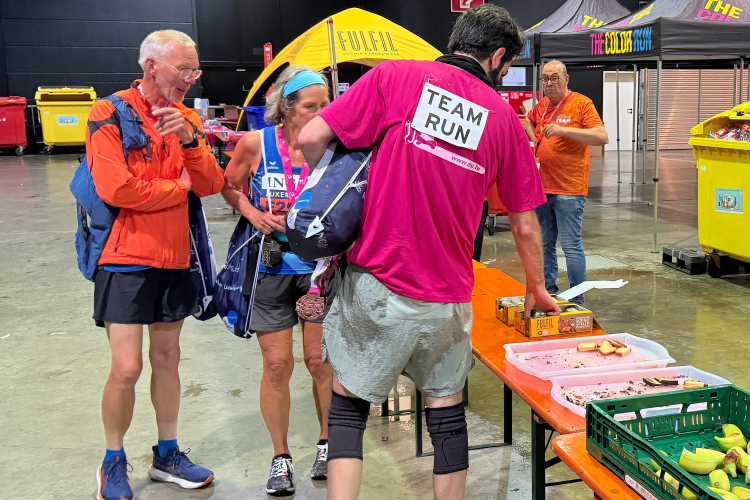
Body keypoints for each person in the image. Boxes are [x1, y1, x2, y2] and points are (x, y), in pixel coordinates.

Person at [298, 5, 561, 499]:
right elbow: (525, 224)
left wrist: (344, 204)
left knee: (348, 411)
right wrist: (536, 287)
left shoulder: (395, 76)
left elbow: (312, 136)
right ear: (497, 57)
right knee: (447, 415)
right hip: (447, 296)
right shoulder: (504, 118)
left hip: (376, 281)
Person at [86, 30, 225, 500]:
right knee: (126, 368)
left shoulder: (188, 119)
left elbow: (211, 183)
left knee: (168, 359)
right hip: (124, 259)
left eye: (195, 70)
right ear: (151, 66)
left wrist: (190, 142)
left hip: (176, 258)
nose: (190, 78)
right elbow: (116, 189)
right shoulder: (108, 112)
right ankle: (112, 460)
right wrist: (176, 189)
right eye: (183, 69)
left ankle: (167, 454)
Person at [221, 66, 333, 496]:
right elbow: (229, 187)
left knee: (318, 361)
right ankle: (280, 457)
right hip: (270, 272)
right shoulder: (255, 144)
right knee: (276, 365)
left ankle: (327, 444)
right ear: (286, 108)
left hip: (317, 275)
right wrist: (253, 213)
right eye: (311, 106)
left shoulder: (334, 146)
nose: (321, 113)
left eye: (326, 105)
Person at [524, 60, 608, 305]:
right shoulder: (542, 105)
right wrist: (535, 140)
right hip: (542, 188)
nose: (549, 83)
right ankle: (548, 293)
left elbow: (601, 136)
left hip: (569, 189)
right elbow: (528, 119)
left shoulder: (581, 103)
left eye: (554, 78)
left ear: (566, 79)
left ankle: (576, 300)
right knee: (545, 245)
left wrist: (564, 131)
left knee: (571, 246)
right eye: (545, 79)